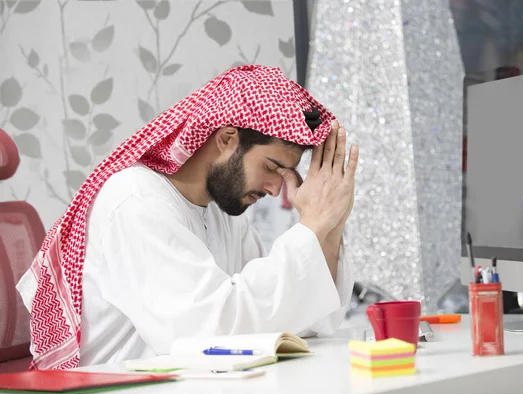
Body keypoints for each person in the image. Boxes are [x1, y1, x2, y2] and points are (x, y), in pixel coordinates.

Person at [16, 65, 359, 370]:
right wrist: (312, 226)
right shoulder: (136, 201)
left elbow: (287, 313)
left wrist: (331, 223)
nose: (275, 189)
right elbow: (207, 336)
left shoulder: (223, 210)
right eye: (272, 167)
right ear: (226, 139)